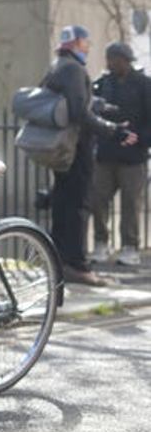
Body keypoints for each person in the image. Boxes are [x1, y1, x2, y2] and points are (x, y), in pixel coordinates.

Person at [43, 26, 137, 286]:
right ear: (77, 43)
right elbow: (78, 113)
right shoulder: (74, 68)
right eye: (85, 42)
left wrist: (100, 106)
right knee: (78, 207)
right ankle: (77, 266)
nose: (88, 46)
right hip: (76, 149)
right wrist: (114, 130)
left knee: (63, 204)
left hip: (62, 149)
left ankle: (59, 262)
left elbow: (72, 103)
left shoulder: (57, 65)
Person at [89, 42, 151, 266]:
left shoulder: (144, 85)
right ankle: (101, 243)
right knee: (98, 199)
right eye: (108, 59)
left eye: (114, 59)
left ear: (125, 60)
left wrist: (140, 139)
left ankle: (129, 246)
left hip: (133, 157)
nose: (110, 63)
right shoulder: (103, 84)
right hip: (106, 153)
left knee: (130, 203)